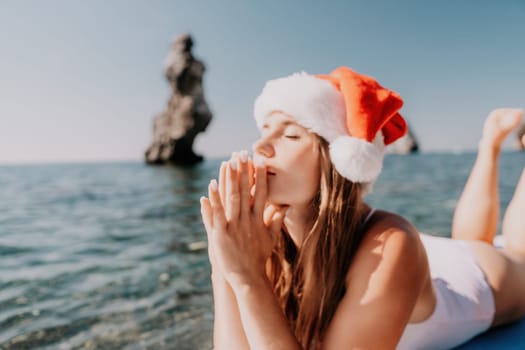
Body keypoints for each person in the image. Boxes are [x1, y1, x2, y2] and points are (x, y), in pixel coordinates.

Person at [199, 66, 525, 349]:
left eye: (291, 135)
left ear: (337, 163)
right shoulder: (265, 239)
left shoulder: (394, 243)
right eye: (264, 131)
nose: (259, 146)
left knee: (517, 251)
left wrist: (246, 278)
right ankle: (491, 144)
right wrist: (223, 264)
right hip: (403, 265)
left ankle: (493, 146)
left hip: (474, 277)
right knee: (466, 237)